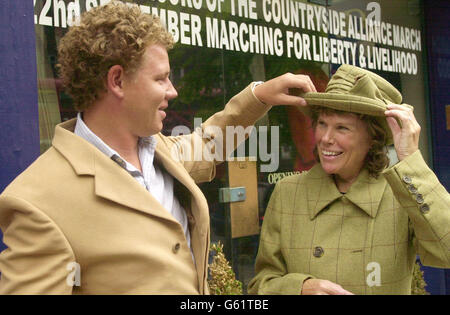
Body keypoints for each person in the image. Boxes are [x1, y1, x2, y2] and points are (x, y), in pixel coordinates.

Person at [0, 1, 317, 294]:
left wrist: (259, 96)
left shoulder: (160, 152)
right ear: (118, 80)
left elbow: (210, 142)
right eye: (161, 78)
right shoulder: (38, 203)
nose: (173, 91)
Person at [248, 64, 450, 295]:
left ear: (373, 138)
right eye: (322, 124)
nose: (325, 138)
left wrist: (410, 160)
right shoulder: (288, 192)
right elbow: (261, 285)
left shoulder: (400, 193)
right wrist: (300, 288)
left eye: (342, 128)